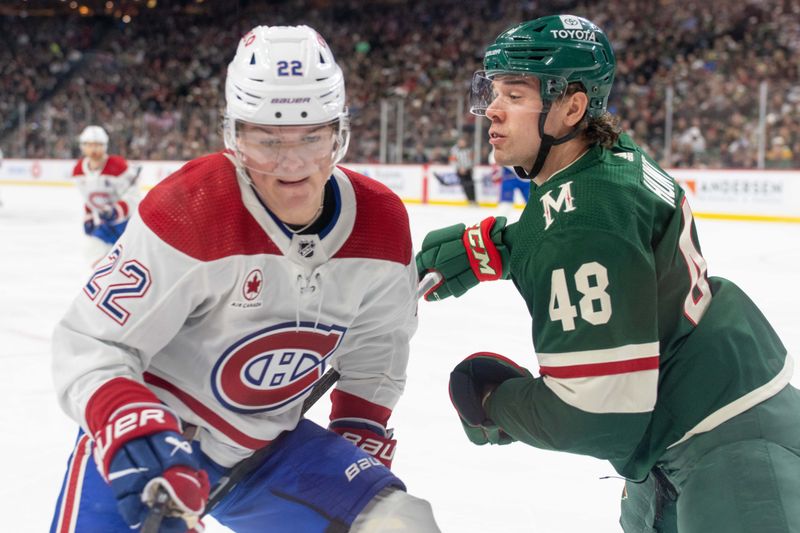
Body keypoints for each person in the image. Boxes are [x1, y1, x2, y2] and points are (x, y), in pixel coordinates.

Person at [416, 14, 799, 533]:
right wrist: (499, 247)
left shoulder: (583, 218)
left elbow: (598, 416)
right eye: (492, 91)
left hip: (729, 452)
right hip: (693, 424)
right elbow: (595, 221)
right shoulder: (609, 158)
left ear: (572, 106)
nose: (493, 111)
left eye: (515, 93)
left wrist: (493, 405)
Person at [51, 25, 439, 533]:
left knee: (399, 523)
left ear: (337, 135)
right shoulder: (188, 209)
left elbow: (376, 347)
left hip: (268, 451)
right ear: (235, 137)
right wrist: (130, 424)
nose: (292, 164)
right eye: (267, 139)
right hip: (157, 439)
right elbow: (92, 341)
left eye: (311, 136)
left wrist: (358, 429)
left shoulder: (381, 222)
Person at [72, 125, 140, 262]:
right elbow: (89, 198)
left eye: (98, 145)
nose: (94, 149)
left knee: (132, 260)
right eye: (89, 145)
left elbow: (133, 197)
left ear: (105, 146)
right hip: (107, 225)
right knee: (93, 253)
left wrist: (116, 211)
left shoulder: (118, 166)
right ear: (83, 147)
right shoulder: (79, 171)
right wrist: (89, 216)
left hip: (129, 224)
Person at [449, 135, 476, 205]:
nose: (462, 143)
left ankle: (473, 200)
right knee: (465, 185)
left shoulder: (469, 149)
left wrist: (468, 168)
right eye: (461, 142)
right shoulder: (454, 150)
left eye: (463, 142)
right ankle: (470, 200)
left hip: (468, 170)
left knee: (471, 185)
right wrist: (460, 168)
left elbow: (472, 160)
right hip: (460, 170)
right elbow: (453, 161)